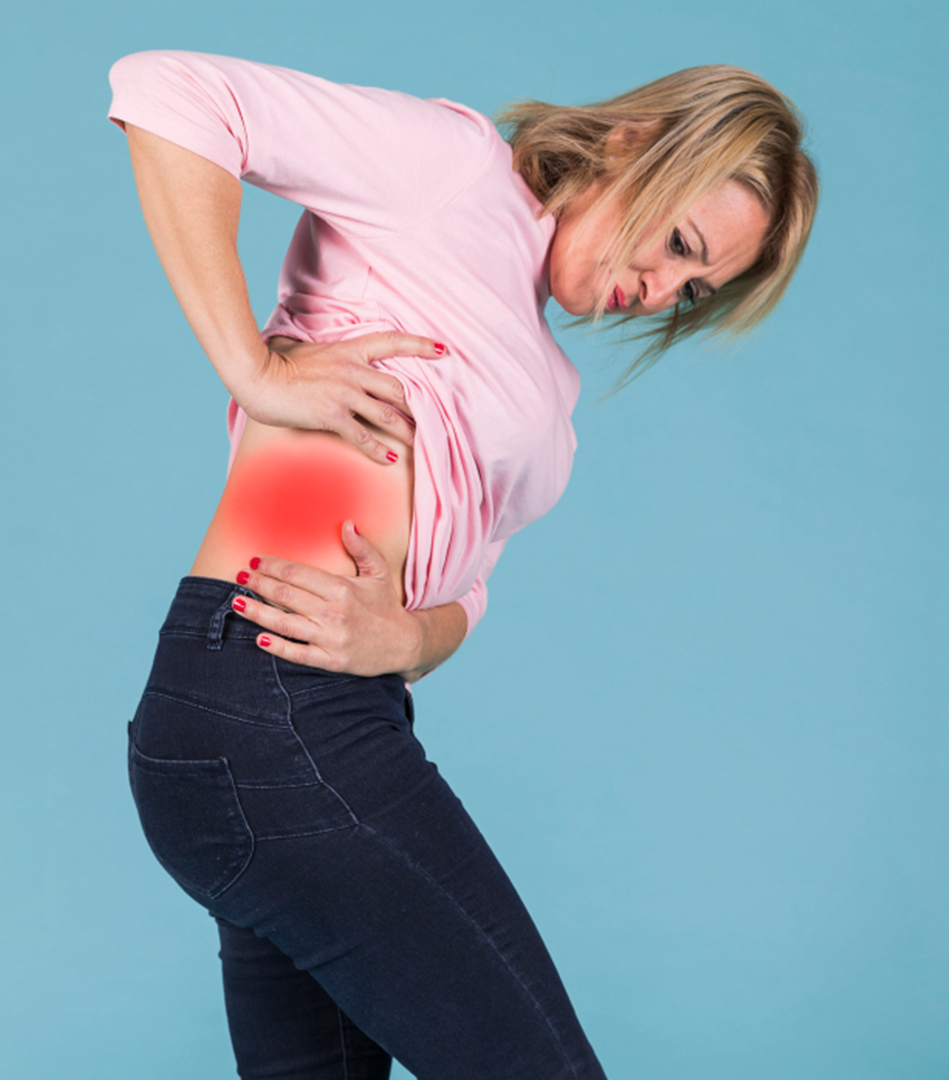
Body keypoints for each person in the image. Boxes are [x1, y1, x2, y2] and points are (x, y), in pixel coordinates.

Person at [107, 50, 817, 1079]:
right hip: (267, 707)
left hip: (316, 720)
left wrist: (411, 636)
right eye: (677, 243)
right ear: (631, 144)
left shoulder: (550, 395)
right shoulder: (451, 171)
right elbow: (174, 92)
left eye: (690, 288)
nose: (657, 291)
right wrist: (250, 365)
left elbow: (463, 584)